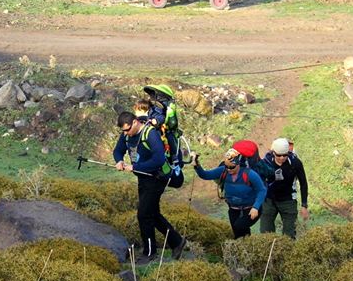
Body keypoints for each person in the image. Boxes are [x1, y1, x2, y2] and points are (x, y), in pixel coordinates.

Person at [113, 111, 187, 259]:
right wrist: (119, 160)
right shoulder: (127, 135)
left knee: (144, 215)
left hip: (156, 178)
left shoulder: (150, 133)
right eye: (123, 131)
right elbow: (118, 150)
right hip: (143, 178)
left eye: (127, 130)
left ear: (135, 122)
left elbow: (159, 159)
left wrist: (135, 168)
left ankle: (149, 252)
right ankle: (177, 241)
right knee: (152, 213)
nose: (126, 134)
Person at [194, 147, 267, 239]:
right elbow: (205, 175)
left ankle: (246, 245)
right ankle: (244, 247)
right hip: (233, 208)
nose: (229, 169)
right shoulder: (223, 171)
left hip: (251, 209)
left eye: (232, 167)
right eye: (227, 166)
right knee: (237, 233)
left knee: (239, 226)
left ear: (238, 164)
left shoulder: (249, 174)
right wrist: (197, 165)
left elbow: (262, 190)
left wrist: (256, 207)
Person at [259, 137, 309, 239]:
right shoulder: (266, 162)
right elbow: (258, 181)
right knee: (265, 233)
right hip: (269, 200)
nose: (282, 158)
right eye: (279, 155)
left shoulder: (295, 163)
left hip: (288, 200)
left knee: (289, 235)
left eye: (284, 155)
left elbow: (303, 183)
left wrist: (304, 205)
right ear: (273, 152)